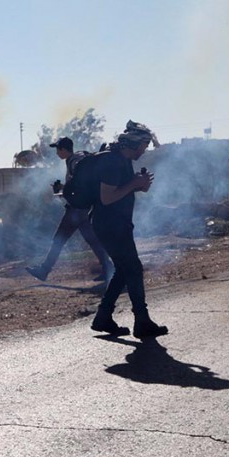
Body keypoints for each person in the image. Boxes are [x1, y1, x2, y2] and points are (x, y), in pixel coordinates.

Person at [89, 121, 168, 339]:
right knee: (133, 268)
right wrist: (134, 184)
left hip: (116, 224)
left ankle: (103, 317)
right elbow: (107, 198)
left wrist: (138, 185)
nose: (145, 150)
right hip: (110, 225)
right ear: (135, 143)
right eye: (144, 145)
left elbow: (120, 191)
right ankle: (141, 321)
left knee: (124, 269)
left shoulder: (122, 160)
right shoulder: (113, 162)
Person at [26, 137, 114, 283]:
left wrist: (66, 190)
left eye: (58, 149)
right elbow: (76, 185)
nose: (57, 153)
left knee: (59, 240)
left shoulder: (74, 162)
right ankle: (109, 268)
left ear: (63, 149)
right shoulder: (76, 160)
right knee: (92, 241)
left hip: (76, 210)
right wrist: (63, 188)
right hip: (82, 208)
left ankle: (44, 270)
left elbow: (80, 185)